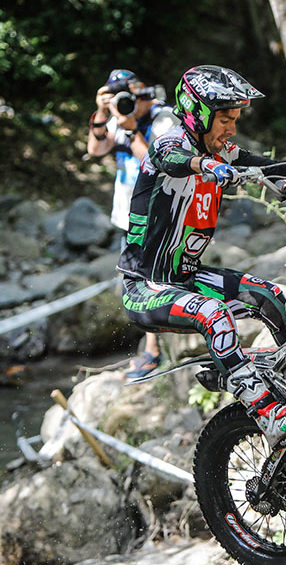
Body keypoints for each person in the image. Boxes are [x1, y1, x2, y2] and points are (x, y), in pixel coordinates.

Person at [118, 65, 286, 446]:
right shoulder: (168, 144)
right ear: (198, 113)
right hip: (145, 287)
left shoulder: (221, 151)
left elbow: (264, 167)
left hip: (188, 278)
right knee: (214, 316)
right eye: (225, 119)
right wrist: (205, 165)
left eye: (235, 119)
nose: (231, 129)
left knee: (272, 298)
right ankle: (269, 414)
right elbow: (173, 159)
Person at [88, 67, 172, 379]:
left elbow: (159, 162)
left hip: (154, 213)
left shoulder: (163, 119)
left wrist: (132, 128)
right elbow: (95, 148)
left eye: (127, 97)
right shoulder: (118, 113)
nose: (124, 103)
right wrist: (101, 111)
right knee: (135, 279)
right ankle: (151, 345)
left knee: (148, 278)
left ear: (140, 92)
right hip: (128, 214)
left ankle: (152, 351)